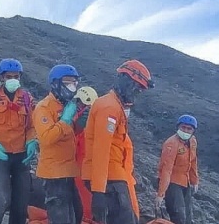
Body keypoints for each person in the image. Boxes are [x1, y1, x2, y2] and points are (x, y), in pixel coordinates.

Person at [82, 59, 155, 224]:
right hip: (110, 180)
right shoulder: (110, 108)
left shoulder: (114, 106)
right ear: (126, 80)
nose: (136, 93)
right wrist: (99, 192)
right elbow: (101, 152)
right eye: (136, 88)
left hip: (114, 178)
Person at [0, 58, 38, 224]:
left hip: (21, 157)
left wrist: (32, 141)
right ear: (1, 78)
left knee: (21, 202)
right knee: (0, 198)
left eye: (16, 76)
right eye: (9, 76)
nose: (13, 79)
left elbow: (33, 126)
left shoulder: (27, 99)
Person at [33, 64, 86, 224]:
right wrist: (65, 120)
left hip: (68, 172)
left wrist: (79, 123)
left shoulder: (67, 106)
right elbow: (47, 138)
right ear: (56, 84)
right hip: (53, 174)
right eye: (68, 82)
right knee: (61, 218)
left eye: (75, 83)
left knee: (77, 214)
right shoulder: (44, 107)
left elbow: (68, 135)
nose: (72, 87)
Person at [155, 115, 199, 224]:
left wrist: (194, 181)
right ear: (178, 127)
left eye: (189, 129)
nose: (185, 130)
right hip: (171, 183)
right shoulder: (171, 143)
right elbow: (166, 169)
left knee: (188, 216)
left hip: (185, 181)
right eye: (183, 127)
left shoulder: (192, 141)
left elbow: (193, 161)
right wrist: (161, 194)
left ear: (193, 131)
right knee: (179, 216)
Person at [72, 86, 99, 222]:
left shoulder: (93, 125)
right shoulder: (74, 121)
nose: (81, 107)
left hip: (88, 172)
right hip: (77, 171)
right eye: (80, 103)